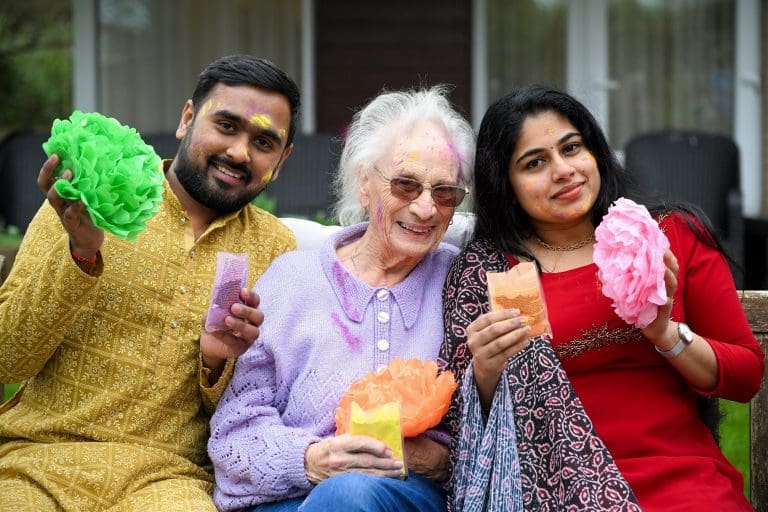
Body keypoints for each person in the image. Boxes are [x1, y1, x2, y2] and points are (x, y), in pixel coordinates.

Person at [439, 85, 765, 511]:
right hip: (548, 490)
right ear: (506, 184)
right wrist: (484, 373)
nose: (563, 170)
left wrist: (665, 333)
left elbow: (746, 376)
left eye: (571, 148)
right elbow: (459, 430)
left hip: (682, 481)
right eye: (534, 162)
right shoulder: (491, 271)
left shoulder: (668, 237)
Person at [0, 54, 301, 511]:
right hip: (38, 462)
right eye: (225, 125)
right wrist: (80, 254)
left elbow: (256, 411)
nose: (240, 152)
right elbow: (7, 359)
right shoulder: (92, 195)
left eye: (263, 141)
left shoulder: (276, 250)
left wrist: (215, 363)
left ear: (282, 159)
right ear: (187, 119)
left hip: (166, 480)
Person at [207, 85, 475, 512]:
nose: (426, 209)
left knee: (350, 494)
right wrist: (310, 459)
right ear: (364, 184)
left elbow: (490, 426)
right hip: (288, 495)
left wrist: (438, 458)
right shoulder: (291, 279)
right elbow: (235, 431)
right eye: (406, 185)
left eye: (444, 193)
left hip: (403, 494)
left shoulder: (460, 281)